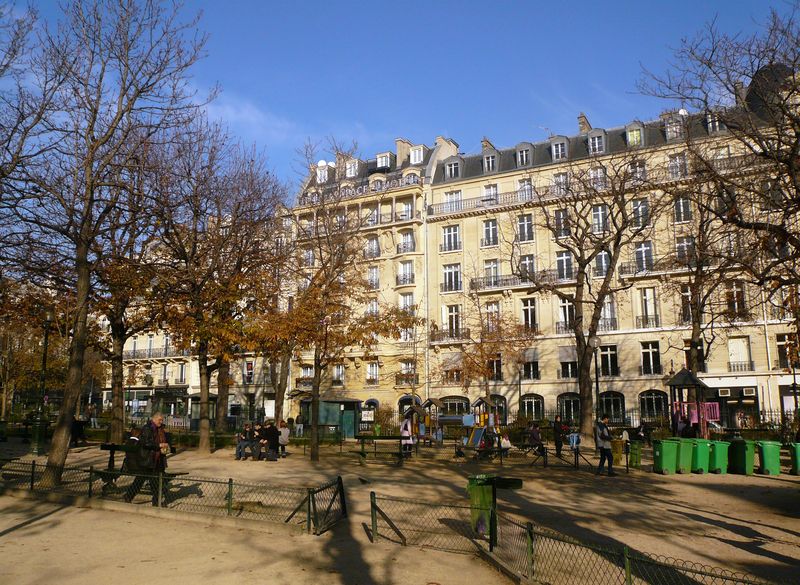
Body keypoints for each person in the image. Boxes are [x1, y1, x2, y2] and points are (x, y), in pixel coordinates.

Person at [125, 412, 171, 505]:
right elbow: (146, 443)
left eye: (162, 420)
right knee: (141, 481)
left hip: (156, 459)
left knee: (154, 482)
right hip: (147, 459)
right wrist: (159, 445)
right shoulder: (147, 428)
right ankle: (129, 496)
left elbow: (164, 440)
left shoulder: (159, 429)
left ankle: (155, 501)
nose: (161, 422)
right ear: (154, 419)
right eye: (159, 420)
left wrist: (165, 445)